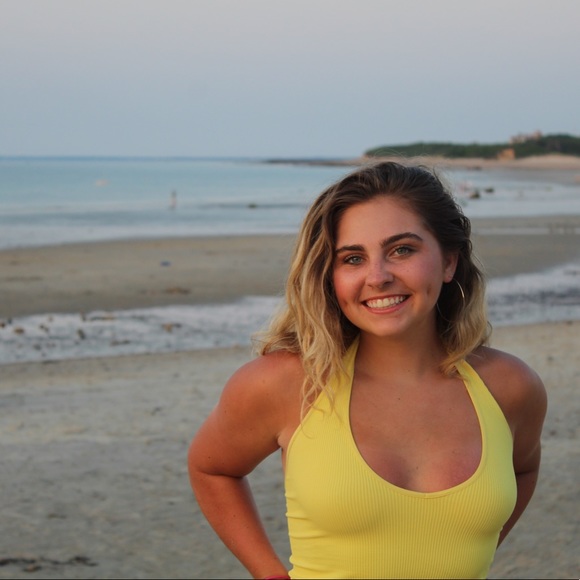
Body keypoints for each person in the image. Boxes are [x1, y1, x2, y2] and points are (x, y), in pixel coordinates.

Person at [188, 161, 547, 579]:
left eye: (402, 250)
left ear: (449, 261)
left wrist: (472, 547)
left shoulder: (509, 386)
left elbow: (524, 468)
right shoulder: (287, 383)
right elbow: (212, 468)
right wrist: (270, 574)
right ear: (330, 277)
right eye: (353, 258)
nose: (377, 277)